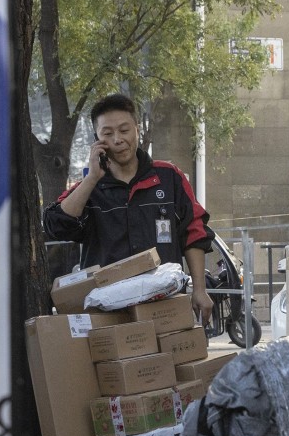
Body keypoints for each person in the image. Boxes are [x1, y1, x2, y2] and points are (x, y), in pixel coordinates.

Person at [43, 93, 215, 323]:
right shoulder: (88, 188)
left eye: (124, 130)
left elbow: (194, 232)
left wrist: (200, 290)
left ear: (137, 130)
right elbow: (56, 225)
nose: (117, 139)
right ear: (97, 139)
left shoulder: (168, 177)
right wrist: (92, 177)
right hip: (107, 313)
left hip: (164, 306)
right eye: (107, 133)